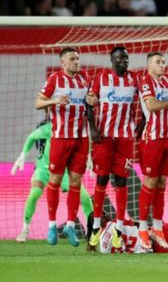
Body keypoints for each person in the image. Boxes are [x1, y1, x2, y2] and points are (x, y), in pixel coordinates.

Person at [86, 46, 142, 248]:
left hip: (125, 139)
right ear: (112, 60)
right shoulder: (101, 78)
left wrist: (142, 123)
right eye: (120, 58)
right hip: (104, 137)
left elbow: (146, 100)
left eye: (126, 58)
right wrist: (92, 129)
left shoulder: (135, 79)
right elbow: (89, 103)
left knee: (121, 181)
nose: (124, 61)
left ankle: (118, 229)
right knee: (101, 178)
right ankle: (95, 228)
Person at [34, 47, 90, 246]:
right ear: (63, 63)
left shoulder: (84, 78)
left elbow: (90, 103)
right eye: (72, 59)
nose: (77, 62)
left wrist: (93, 101)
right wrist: (55, 100)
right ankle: (51, 225)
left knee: (76, 182)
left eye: (78, 58)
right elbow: (38, 103)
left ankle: (70, 225)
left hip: (81, 139)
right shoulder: (54, 80)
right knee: (55, 180)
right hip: (60, 138)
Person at [11, 120, 93, 243]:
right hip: (43, 169)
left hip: (65, 171)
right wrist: (23, 154)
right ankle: (25, 229)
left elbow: (87, 140)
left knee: (85, 198)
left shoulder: (76, 130)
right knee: (34, 194)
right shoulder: (51, 128)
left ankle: (91, 231)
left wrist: (89, 157)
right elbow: (32, 136)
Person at [138, 52, 168, 250]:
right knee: (150, 181)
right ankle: (142, 230)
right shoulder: (145, 81)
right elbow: (151, 105)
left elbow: (164, 106)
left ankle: (157, 228)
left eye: (163, 61)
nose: (162, 64)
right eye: (157, 62)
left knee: (162, 183)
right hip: (152, 139)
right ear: (149, 66)